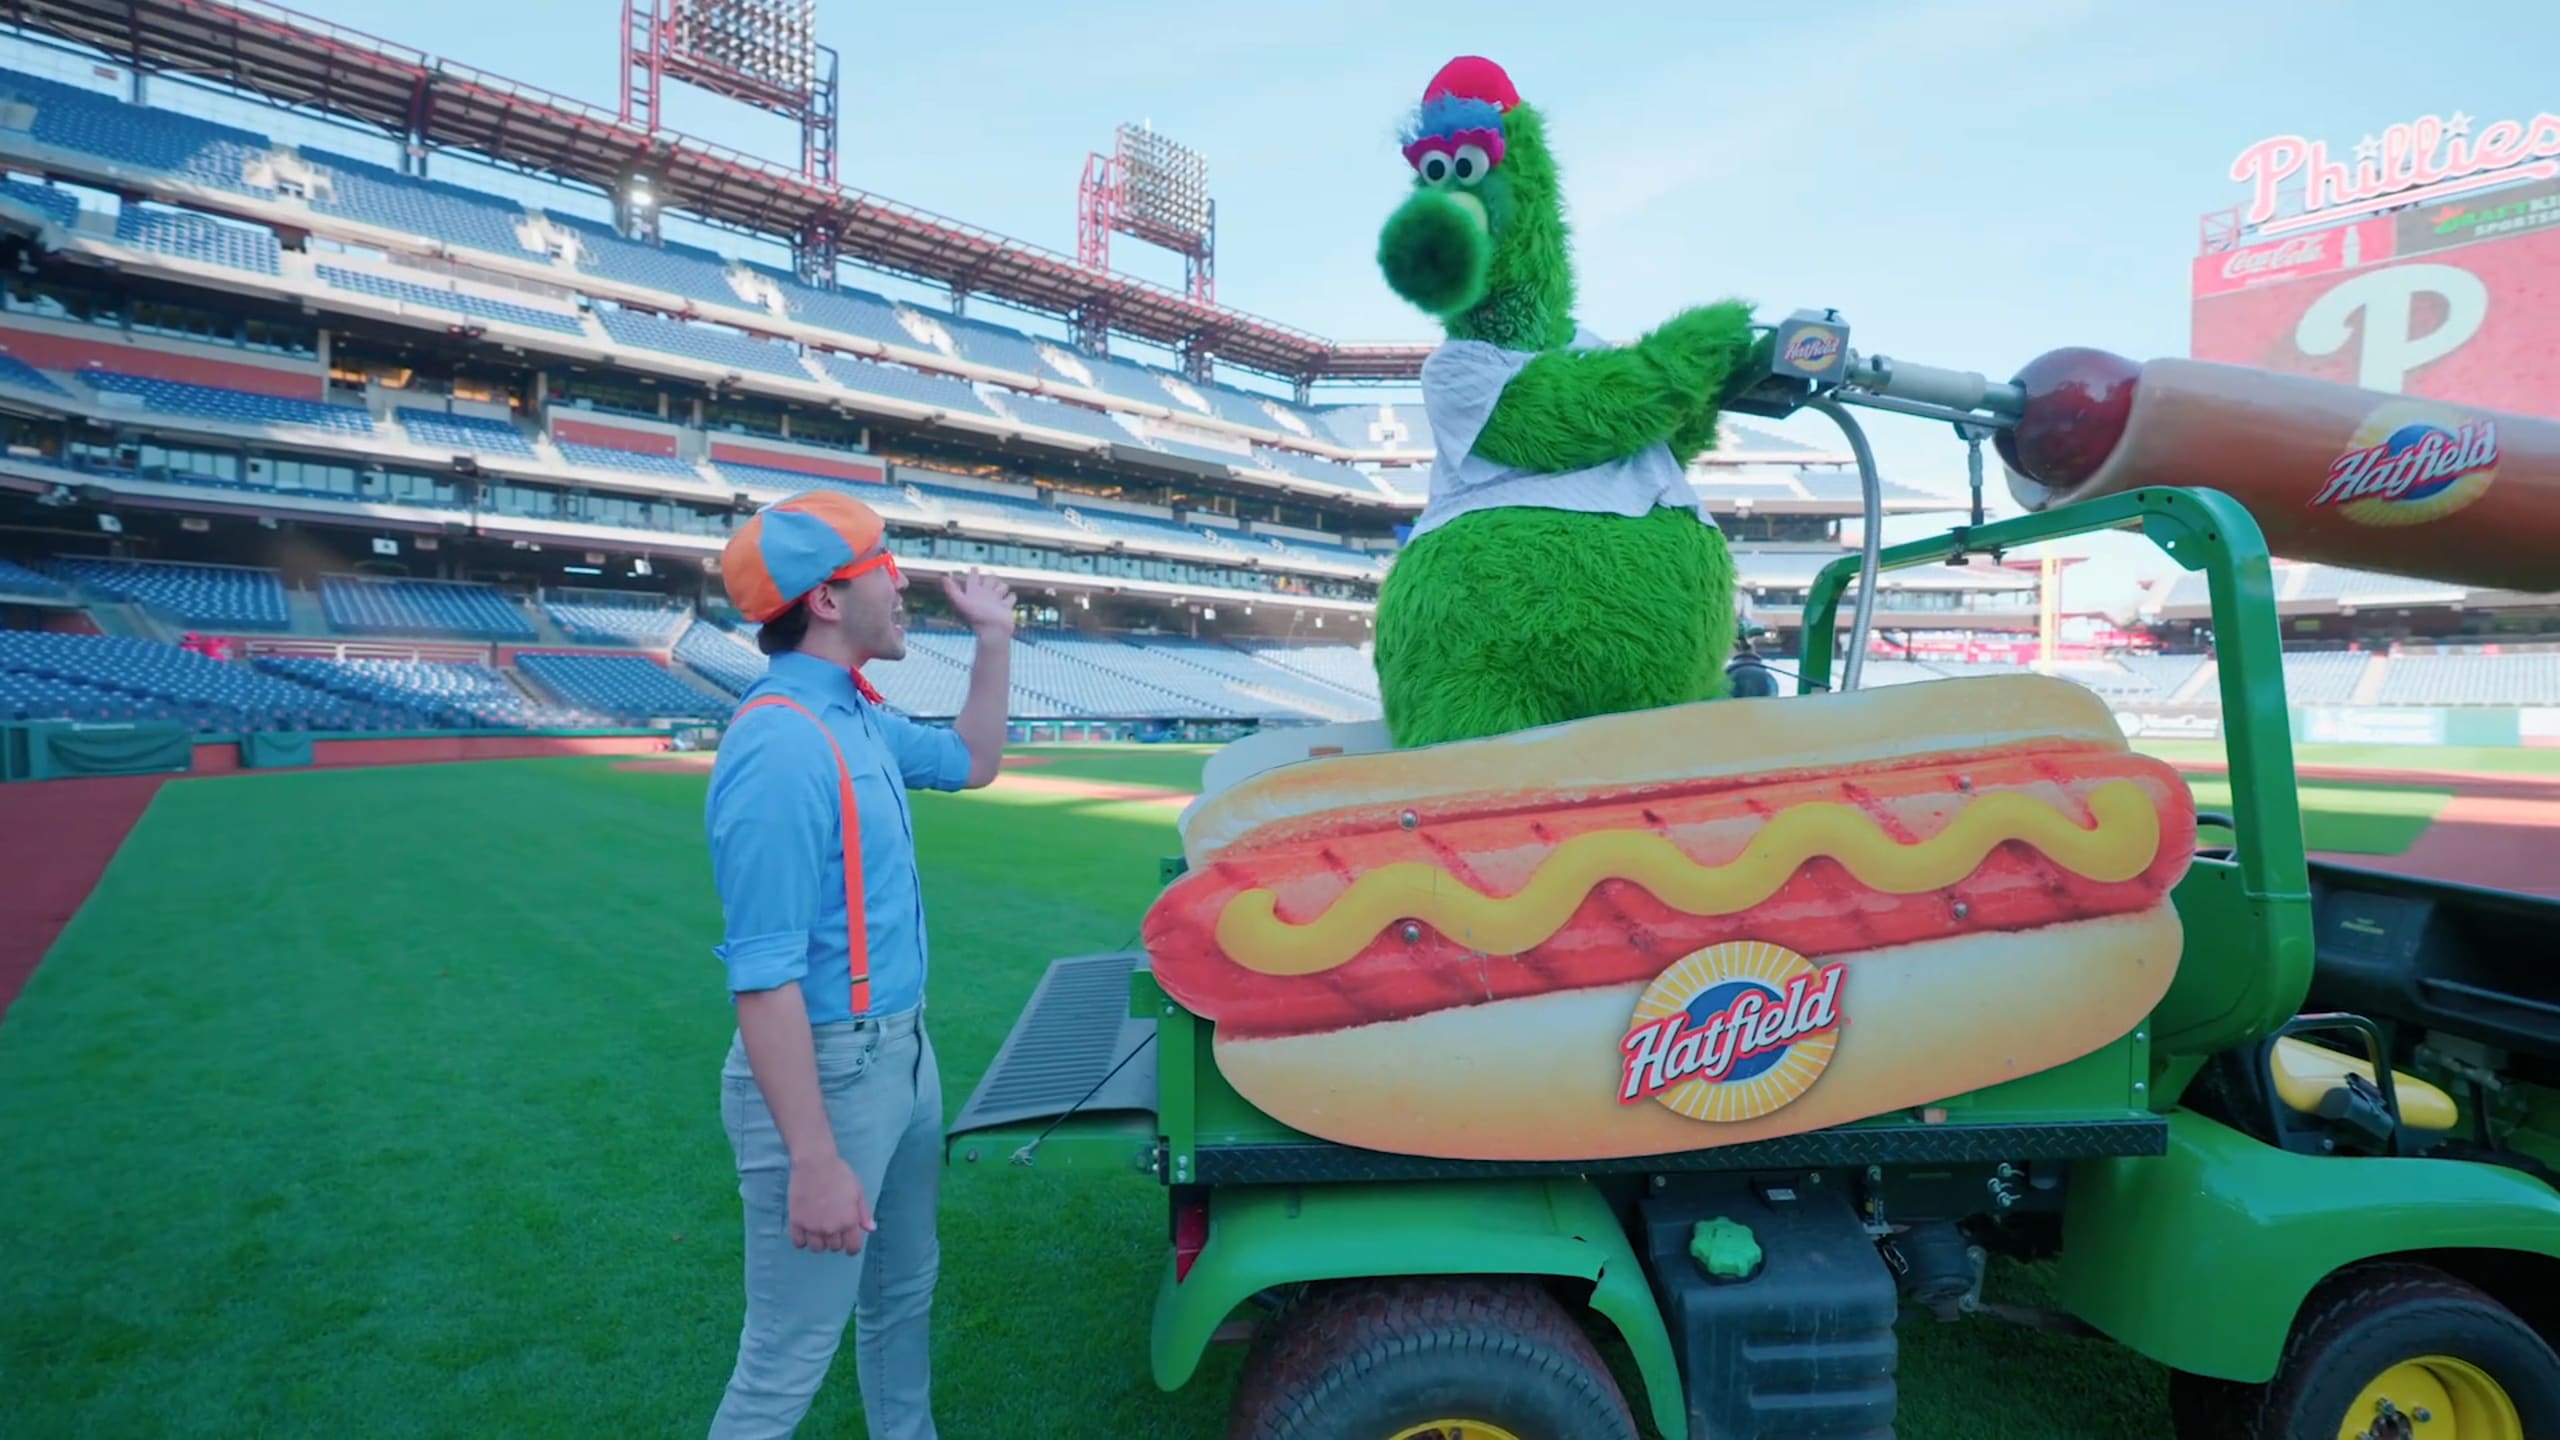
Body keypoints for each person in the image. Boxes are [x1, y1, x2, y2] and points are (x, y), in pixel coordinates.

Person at [700, 489, 1015, 1439]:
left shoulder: (854, 714)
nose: (904, 578)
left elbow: (973, 759)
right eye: (885, 562)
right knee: (787, 1355)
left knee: (903, 1293)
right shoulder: (780, 742)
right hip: (831, 1077)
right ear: (829, 600)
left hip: (902, 1058)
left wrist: (993, 639)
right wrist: (813, 1158)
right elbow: (763, 977)